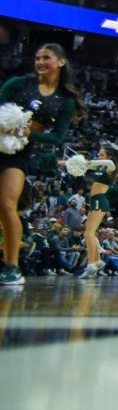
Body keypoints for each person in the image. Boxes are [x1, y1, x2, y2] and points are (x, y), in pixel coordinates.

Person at [0, 43, 84, 285]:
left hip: (18, 153)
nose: (40, 62)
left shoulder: (65, 100)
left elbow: (57, 137)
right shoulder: (17, 84)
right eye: (37, 58)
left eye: (46, 57)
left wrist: (26, 133)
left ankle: (12, 267)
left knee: (7, 205)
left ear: (60, 62)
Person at [79, 144, 118, 279]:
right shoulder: (101, 167)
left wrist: (87, 162)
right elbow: (87, 165)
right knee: (90, 232)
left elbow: (103, 162)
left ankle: (91, 264)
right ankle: (97, 261)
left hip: (100, 200)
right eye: (98, 155)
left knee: (88, 233)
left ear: (108, 156)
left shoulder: (111, 166)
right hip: (95, 201)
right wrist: (67, 162)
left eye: (101, 155)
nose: (99, 157)